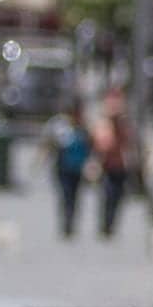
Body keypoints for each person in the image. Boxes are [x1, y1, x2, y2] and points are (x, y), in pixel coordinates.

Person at [42, 99, 93, 239]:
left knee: (75, 197)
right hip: (63, 168)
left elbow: (90, 147)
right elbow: (49, 143)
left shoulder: (84, 128)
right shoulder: (59, 127)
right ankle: (66, 224)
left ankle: (71, 224)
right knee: (65, 195)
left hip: (78, 169)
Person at [89, 89, 137, 240]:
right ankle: (105, 224)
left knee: (117, 196)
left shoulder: (124, 124)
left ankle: (111, 224)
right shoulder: (104, 123)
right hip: (106, 166)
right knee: (107, 195)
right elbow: (100, 144)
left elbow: (130, 142)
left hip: (120, 166)